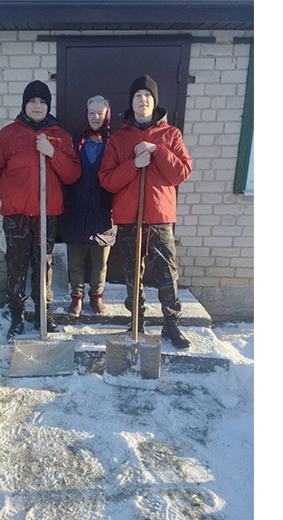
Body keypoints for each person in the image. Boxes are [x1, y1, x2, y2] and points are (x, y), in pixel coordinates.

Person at [99, 75, 193, 349]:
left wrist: (158, 151)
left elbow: (181, 173)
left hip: (160, 217)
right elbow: (107, 180)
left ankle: (171, 324)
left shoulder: (171, 135)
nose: (143, 99)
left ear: (155, 102)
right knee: (132, 274)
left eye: (148, 95)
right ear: (131, 102)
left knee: (167, 273)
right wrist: (134, 164)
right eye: (138, 95)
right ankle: (136, 322)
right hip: (129, 218)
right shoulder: (118, 139)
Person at [0, 80, 81, 340]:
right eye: (32, 101)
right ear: (24, 105)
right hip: (16, 216)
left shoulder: (60, 137)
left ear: (48, 106)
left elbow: (72, 174)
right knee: (15, 267)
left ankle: (42, 313)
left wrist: (52, 153)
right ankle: (17, 315)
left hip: (47, 216)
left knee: (43, 265)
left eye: (42, 102)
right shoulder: (8, 135)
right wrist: (10, 197)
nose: (37, 106)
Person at [61, 95, 117, 317]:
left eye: (100, 113)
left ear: (107, 115)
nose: (96, 117)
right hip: (76, 210)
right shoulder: (75, 141)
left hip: (103, 211)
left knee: (100, 262)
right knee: (75, 261)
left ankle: (96, 297)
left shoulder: (114, 143)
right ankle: (76, 298)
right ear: (86, 115)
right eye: (92, 113)